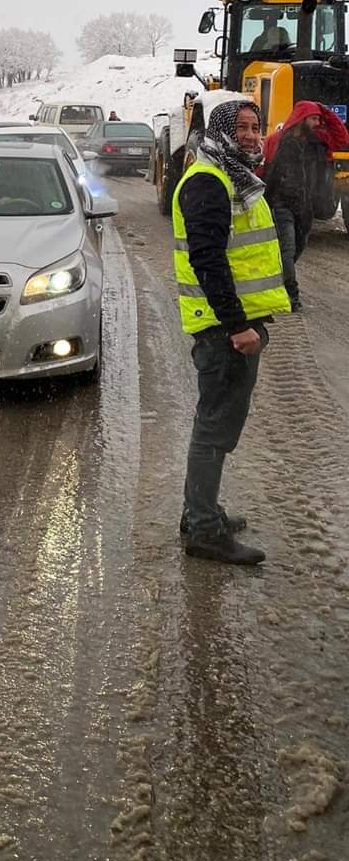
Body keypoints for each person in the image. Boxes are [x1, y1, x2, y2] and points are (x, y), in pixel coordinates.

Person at [172, 98, 291, 564]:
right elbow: (208, 258)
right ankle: (203, 529)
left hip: (231, 325)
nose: (251, 134)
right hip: (224, 329)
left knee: (215, 425)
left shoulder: (234, 177)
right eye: (240, 126)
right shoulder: (208, 181)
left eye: (255, 126)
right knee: (215, 429)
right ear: (221, 130)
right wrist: (237, 324)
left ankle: (200, 511)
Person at [261, 101, 349, 311]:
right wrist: (265, 198)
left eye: (319, 119)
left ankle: (280, 281)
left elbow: (342, 139)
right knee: (288, 248)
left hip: (305, 206)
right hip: (282, 203)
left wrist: (325, 112)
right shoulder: (278, 140)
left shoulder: (318, 142)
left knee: (295, 250)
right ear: (302, 118)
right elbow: (267, 168)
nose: (318, 122)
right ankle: (291, 294)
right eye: (314, 118)